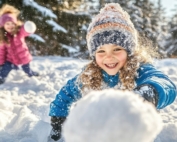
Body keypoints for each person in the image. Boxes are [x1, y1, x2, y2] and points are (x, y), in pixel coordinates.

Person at [48, 3, 177, 141]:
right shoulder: (90, 75)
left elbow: (166, 84)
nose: (109, 57)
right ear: (93, 55)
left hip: (133, 132)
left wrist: (151, 91)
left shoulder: (140, 70)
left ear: (129, 51)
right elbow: (66, 94)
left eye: (117, 49)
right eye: (101, 51)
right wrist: (58, 119)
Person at [0, 4, 38, 84]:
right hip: (11, 59)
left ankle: (32, 74)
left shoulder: (19, 32)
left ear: (15, 24)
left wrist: (28, 27)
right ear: (3, 25)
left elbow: (25, 31)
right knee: (4, 70)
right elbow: (2, 52)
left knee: (27, 70)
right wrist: (1, 63)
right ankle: (1, 78)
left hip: (23, 57)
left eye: (12, 23)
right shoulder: (3, 37)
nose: (10, 26)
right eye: (7, 24)